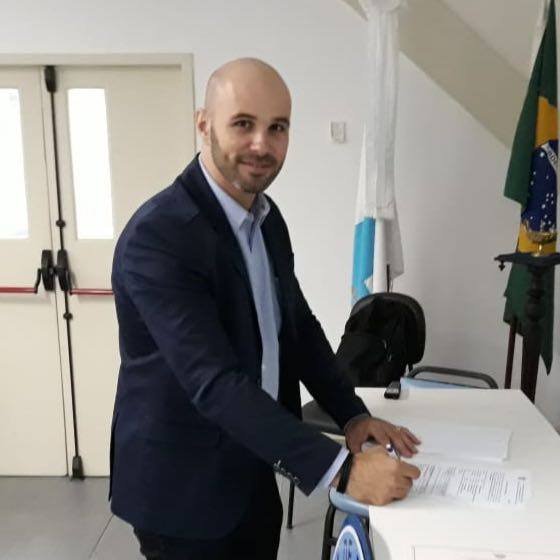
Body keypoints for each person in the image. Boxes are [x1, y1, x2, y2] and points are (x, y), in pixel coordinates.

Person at [109, 57, 420, 560]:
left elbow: (297, 330)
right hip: (183, 492)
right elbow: (213, 382)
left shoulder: (266, 220)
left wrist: (351, 415)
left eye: (277, 127)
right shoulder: (159, 237)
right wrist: (342, 471)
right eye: (243, 123)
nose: (262, 144)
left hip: (256, 463)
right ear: (203, 125)